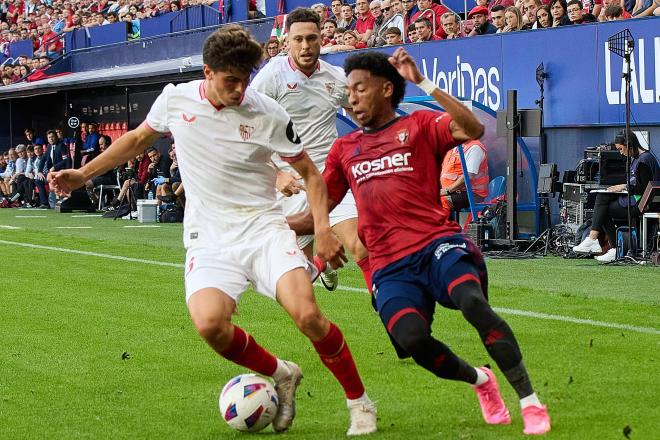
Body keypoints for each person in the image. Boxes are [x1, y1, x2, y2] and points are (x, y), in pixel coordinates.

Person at [47, 24, 377, 437]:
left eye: (245, 79)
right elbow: (135, 141)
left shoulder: (267, 112)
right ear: (207, 72)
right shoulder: (175, 99)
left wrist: (323, 229)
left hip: (263, 230)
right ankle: (282, 372)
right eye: (230, 80)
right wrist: (83, 174)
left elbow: (311, 175)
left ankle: (359, 403)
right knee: (210, 326)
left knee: (309, 316)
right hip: (210, 238)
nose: (239, 89)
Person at [287, 48, 551, 436]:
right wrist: (280, 224)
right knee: (411, 340)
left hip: (436, 244)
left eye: (360, 89)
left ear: (386, 88)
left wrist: (425, 82)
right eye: (350, 90)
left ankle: (529, 401)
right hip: (390, 265)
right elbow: (318, 205)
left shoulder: (421, 125)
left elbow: (473, 129)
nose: (352, 97)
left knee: (472, 303)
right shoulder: (346, 150)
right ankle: (481, 381)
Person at [251, 8, 372, 295]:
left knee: (359, 246)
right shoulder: (270, 79)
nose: (305, 46)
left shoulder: (335, 77)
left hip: (329, 176)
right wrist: (276, 172)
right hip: (288, 182)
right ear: (287, 43)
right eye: (299, 40)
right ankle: (322, 262)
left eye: (311, 39)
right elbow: (247, 130)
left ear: (322, 40)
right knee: (299, 282)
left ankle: (394, 315)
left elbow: (359, 111)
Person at [573, 131, 660, 262]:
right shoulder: (639, 158)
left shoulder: (644, 160)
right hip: (636, 198)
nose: (620, 152)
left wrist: (623, 186)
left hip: (642, 202)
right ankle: (599, 242)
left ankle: (601, 243)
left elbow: (643, 188)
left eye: (620, 149)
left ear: (628, 145)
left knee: (603, 208)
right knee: (602, 200)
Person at [440, 140, 489, 211]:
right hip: (454, 191)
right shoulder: (454, 148)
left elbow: (468, 176)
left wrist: (446, 191)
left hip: (471, 194)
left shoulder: (474, 148)